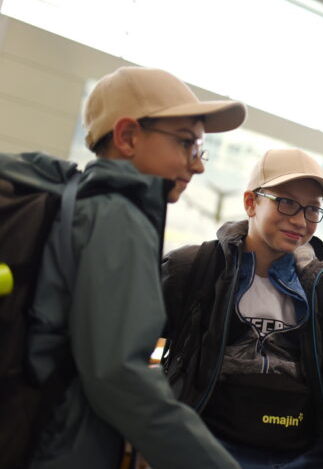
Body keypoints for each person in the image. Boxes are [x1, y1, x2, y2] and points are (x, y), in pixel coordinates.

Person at [25, 66, 247, 468]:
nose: (198, 166)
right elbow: (119, 376)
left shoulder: (82, 204)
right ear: (127, 136)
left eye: (200, 149)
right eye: (186, 143)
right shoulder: (118, 218)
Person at [161, 148, 323, 469]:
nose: (300, 220)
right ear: (250, 202)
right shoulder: (192, 268)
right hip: (201, 451)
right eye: (286, 202)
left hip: (293, 456)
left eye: (313, 209)